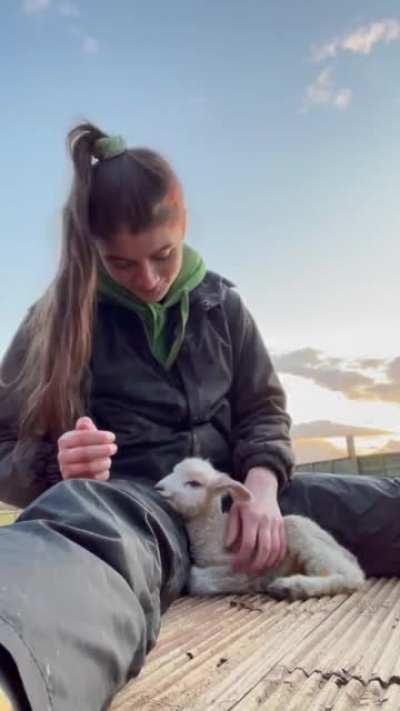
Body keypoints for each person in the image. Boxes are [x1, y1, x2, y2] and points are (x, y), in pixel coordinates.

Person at [0, 122, 398, 710]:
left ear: (184, 225)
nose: (150, 279)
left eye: (163, 255)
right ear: (93, 249)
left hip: (241, 496)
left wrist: (260, 492)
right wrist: (52, 466)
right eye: (122, 265)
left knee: (378, 503)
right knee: (84, 539)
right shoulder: (54, 318)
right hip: (138, 509)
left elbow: (264, 411)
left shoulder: (223, 306)